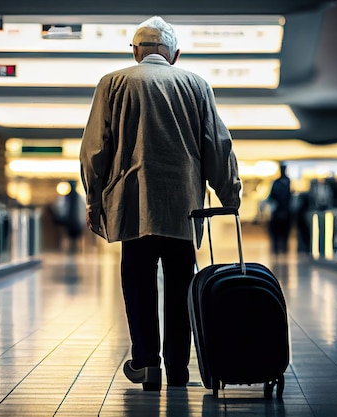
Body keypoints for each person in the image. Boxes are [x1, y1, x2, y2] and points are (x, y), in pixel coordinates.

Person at [79, 16, 241, 391]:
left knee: (137, 281)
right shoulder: (195, 84)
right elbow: (217, 145)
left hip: (133, 205)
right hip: (184, 209)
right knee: (182, 284)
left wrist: (92, 199)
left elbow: (95, 149)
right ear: (175, 54)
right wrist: (229, 195)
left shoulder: (113, 83)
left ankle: (147, 363)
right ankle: (179, 368)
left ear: (135, 52)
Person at [268, 163, 292, 255]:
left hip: (283, 212)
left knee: (283, 233)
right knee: (278, 233)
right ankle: (277, 249)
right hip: (280, 212)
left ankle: (282, 249)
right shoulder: (280, 182)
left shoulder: (285, 182)